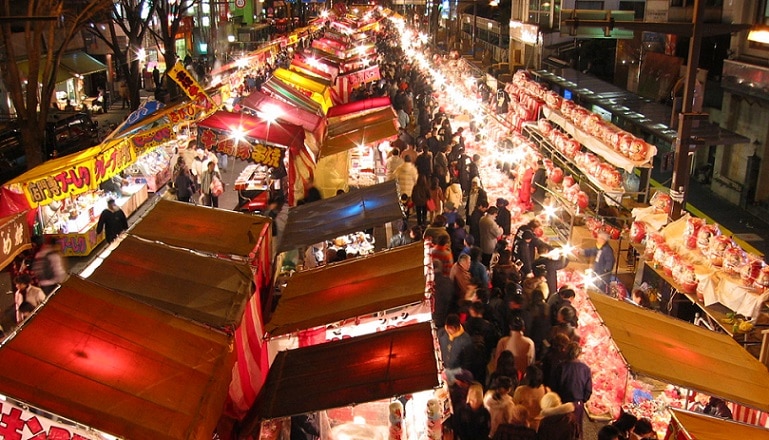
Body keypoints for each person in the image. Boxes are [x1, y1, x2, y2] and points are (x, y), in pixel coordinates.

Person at [552, 342, 592, 438]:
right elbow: (588, 390)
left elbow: (554, 386)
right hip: (577, 404)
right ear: (578, 354)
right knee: (575, 429)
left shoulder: (560, 367)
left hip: (562, 403)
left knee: (561, 429)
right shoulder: (585, 369)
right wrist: (582, 400)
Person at [437, 314, 474, 378]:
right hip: (443, 371)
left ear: (457, 327)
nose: (448, 330)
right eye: (447, 327)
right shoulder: (441, 333)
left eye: (450, 328)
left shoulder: (466, 340)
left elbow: (467, 361)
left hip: (457, 373)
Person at [513, 365, 548, 431]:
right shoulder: (546, 390)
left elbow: (515, 407)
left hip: (524, 425)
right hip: (540, 425)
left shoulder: (520, 390)